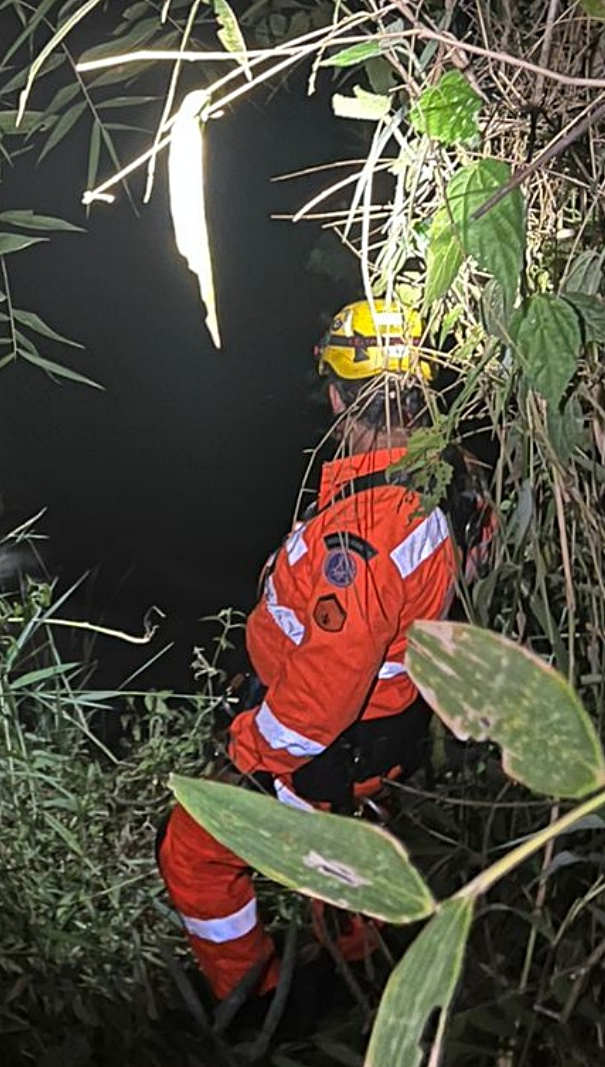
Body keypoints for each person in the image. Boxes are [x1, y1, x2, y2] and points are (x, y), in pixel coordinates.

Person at [157, 298, 491, 1015]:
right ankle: (363, 974)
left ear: (338, 394)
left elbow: (323, 694)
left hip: (333, 743)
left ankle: (249, 999)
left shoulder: (364, 535)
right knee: (340, 865)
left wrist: (245, 754)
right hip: (385, 736)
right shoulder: (455, 478)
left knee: (193, 852)